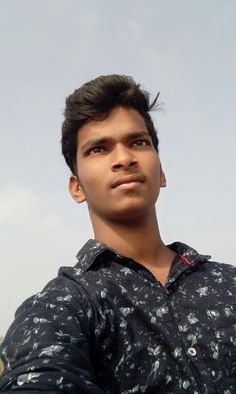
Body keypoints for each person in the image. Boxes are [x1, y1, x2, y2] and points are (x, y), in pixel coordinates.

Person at [0, 74, 235, 393]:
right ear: (76, 187)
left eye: (138, 142)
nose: (124, 159)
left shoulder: (227, 283)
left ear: (161, 172)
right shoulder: (62, 306)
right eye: (98, 149)